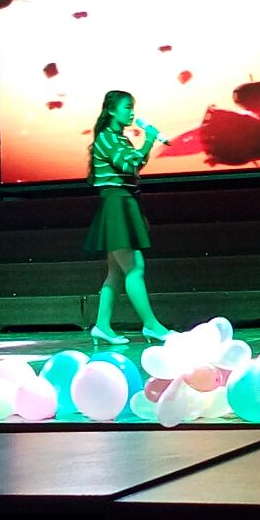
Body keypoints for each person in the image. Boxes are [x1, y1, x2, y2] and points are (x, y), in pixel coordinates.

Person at [83, 90, 173, 345]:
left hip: (124, 202)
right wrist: (149, 140)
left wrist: (146, 144)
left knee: (115, 271)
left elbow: (134, 165)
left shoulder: (118, 138)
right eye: (127, 107)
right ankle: (152, 325)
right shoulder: (107, 138)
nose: (132, 112)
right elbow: (128, 165)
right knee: (134, 268)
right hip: (116, 204)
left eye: (133, 107)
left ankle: (102, 326)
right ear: (111, 110)